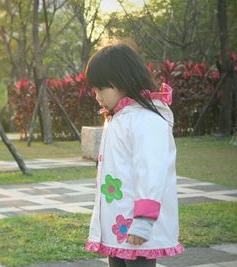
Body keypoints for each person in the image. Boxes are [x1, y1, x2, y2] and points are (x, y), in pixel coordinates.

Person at [84, 43, 184, 267]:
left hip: (137, 224)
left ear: (122, 82)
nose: (97, 96)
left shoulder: (146, 120)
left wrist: (144, 220)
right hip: (118, 222)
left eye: (101, 89)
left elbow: (152, 171)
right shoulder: (119, 117)